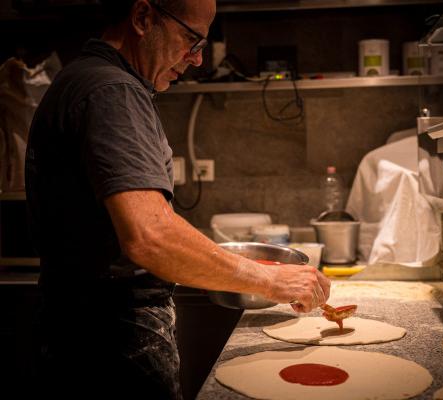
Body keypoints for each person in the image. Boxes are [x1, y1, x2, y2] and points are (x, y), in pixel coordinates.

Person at [25, 0, 330, 398]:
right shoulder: (111, 91)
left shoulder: (83, 78)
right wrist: (271, 279)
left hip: (78, 335)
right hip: (110, 346)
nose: (198, 59)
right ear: (142, 18)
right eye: (191, 39)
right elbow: (151, 236)